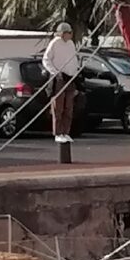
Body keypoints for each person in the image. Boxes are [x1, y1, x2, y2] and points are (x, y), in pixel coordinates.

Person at [41, 22, 84, 161]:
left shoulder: (71, 44)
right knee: (58, 106)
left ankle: (66, 131)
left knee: (69, 107)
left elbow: (74, 59)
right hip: (59, 77)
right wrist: (55, 72)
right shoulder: (55, 43)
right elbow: (46, 60)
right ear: (62, 33)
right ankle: (58, 132)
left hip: (70, 77)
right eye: (68, 33)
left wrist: (76, 73)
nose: (70, 35)